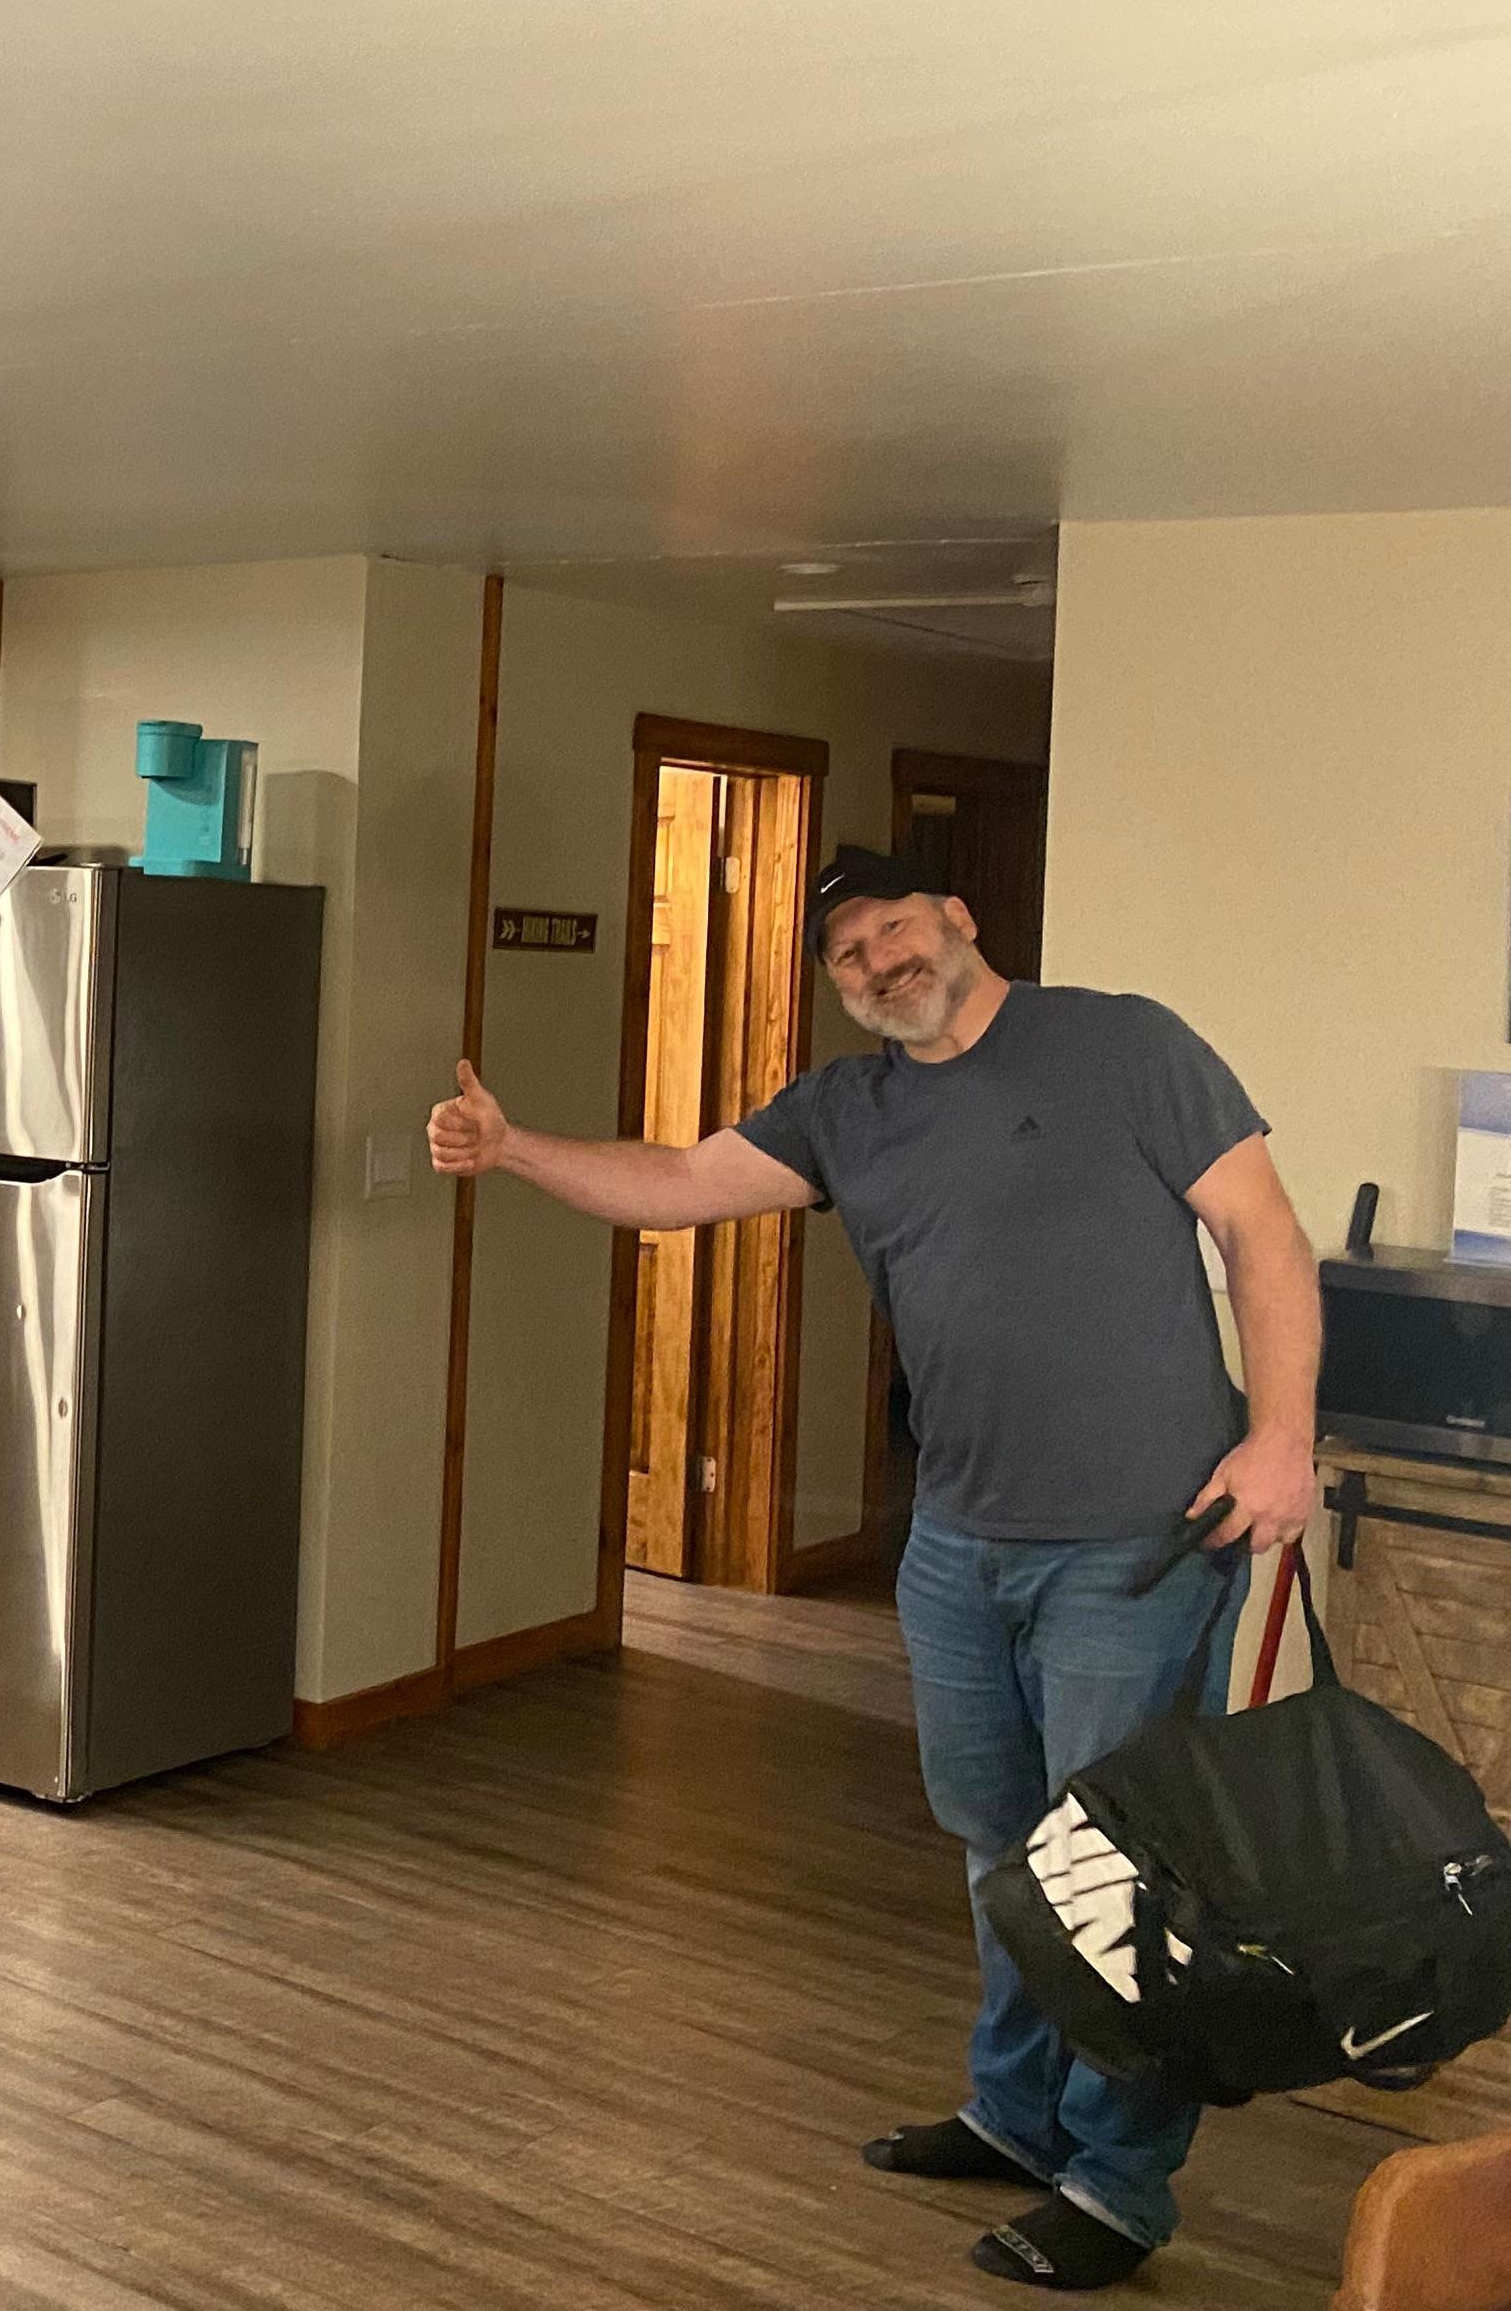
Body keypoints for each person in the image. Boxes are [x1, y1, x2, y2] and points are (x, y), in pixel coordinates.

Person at [428, 842, 1320, 2293]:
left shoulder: (1124, 1044)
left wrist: (1281, 1436)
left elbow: (1264, 1234)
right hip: (957, 1545)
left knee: (1117, 1863)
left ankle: (1116, 2181)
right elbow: (677, 1182)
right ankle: (1016, 2113)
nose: (878, 962)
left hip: (1138, 1543)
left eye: (894, 928)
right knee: (999, 1849)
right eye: (847, 954)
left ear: (956, 919)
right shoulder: (847, 1110)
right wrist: (514, 1147)